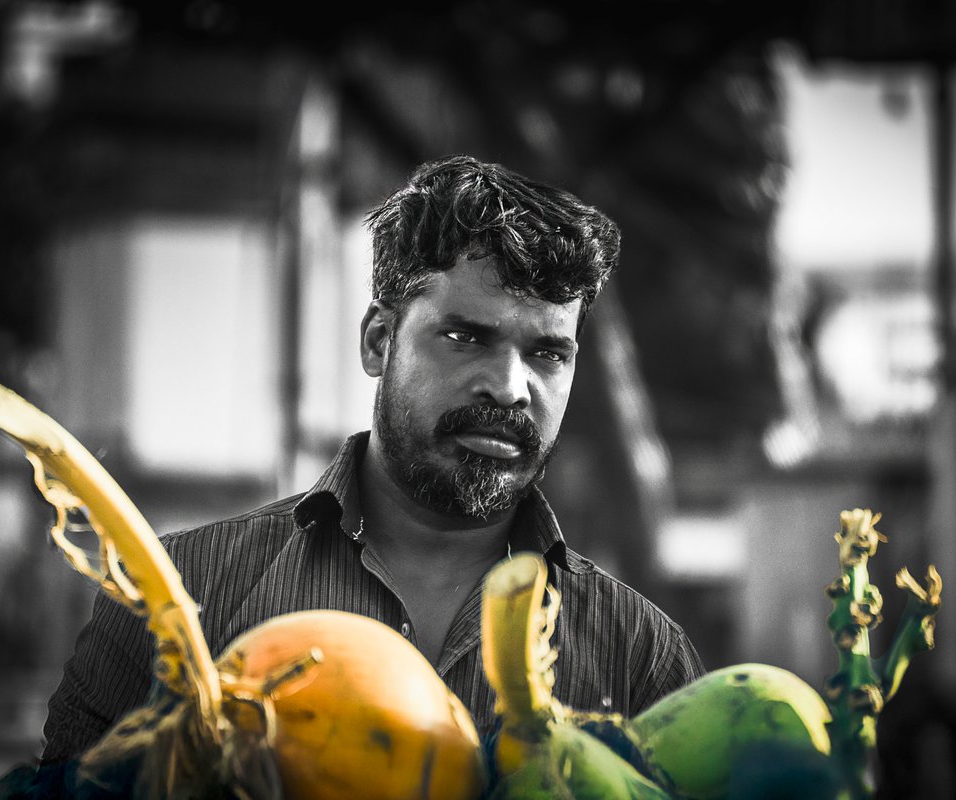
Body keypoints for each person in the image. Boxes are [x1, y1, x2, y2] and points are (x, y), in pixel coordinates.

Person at [40, 154, 704, 762]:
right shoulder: (178, 601)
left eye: (547, 353)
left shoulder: (640, 658)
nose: (508, 387)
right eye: (465, 336)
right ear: (378, 342)